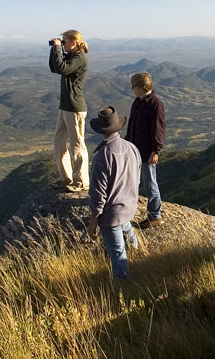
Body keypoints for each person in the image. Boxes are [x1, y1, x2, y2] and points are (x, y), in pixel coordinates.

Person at [87, 106, 141, 280]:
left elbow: (98, 194)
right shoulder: (132, 147)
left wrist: (93, 221)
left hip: (111, 215)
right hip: (129, 207)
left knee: (118, 257)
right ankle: (141, 258)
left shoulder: (103, 156)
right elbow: (137, 176)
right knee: (128, 234)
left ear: (101, 130)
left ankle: (124, 291)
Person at [49, 29, 90, 192]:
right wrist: (54, 49)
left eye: (64, 41)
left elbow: (61, 68)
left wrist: (58, 49)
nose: (62, 43)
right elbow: (54, 67)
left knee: (77, 145)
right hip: (65, 107)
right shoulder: (72, 56)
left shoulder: (80, 57)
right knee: (59, 143)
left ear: (74, 42)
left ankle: (81, 181)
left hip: (75, 107)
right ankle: (66, 178)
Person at [124, 72, 166, 229]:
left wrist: (155, 150)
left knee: (150, 183)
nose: (132, 89)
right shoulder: (138, 101)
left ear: (140, 87)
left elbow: (158, 129)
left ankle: (155, 215)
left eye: (133, 86)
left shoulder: (155, 104)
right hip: (134, 149)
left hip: (147, 151)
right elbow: (132, 126)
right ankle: (128, 210)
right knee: (131, 180)